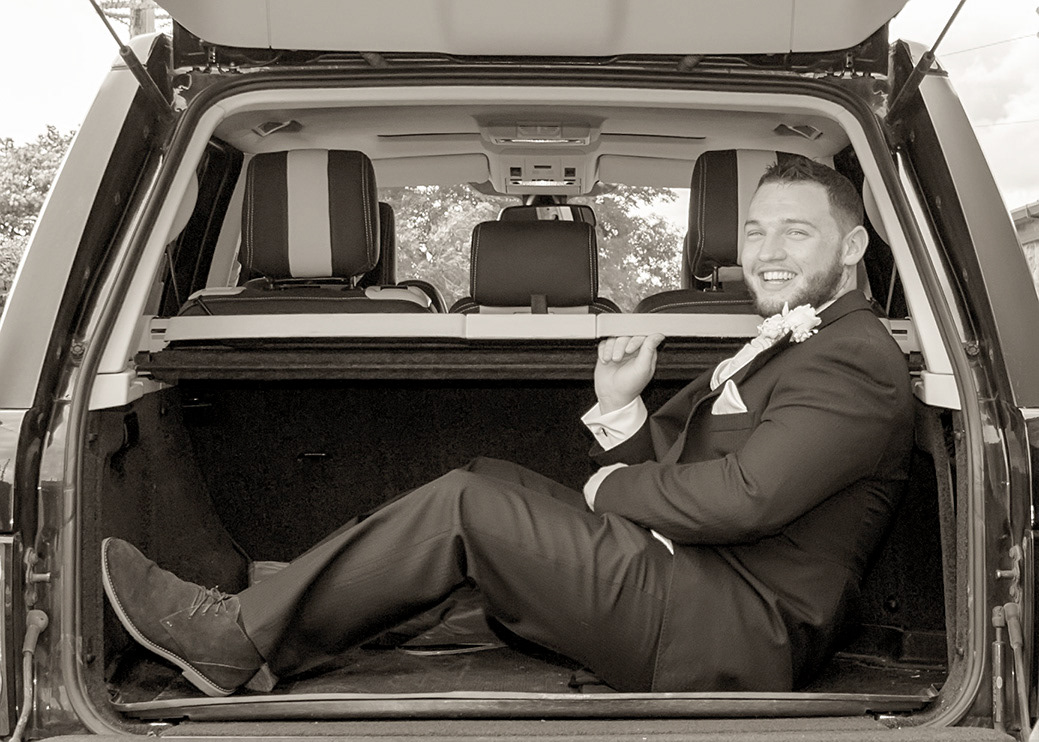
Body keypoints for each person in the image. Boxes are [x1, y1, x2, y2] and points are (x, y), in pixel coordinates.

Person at [101, 157, 913, 697]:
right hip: (702, 583)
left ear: (851, 246)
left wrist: (607, 486)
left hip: (732, 629)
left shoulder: (850, 357)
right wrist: (621, 406)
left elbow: (743, 499)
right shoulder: (801, 340)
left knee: (465, 507)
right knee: (487, 478)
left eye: (795, 232)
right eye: (756, 231)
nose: (766, 252)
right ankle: (300, 609)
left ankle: (235, 638)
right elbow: (696, 480)